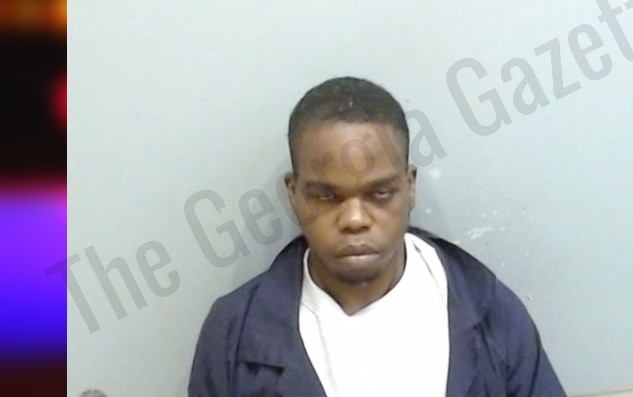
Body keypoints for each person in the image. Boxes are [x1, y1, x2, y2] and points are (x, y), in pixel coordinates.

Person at [189, 77, 566, 396]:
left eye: (380, 193)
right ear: (293, 193)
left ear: (410, 186)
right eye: (326, 196)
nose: (354, 219)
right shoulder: (235, 332)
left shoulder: (490, 314)